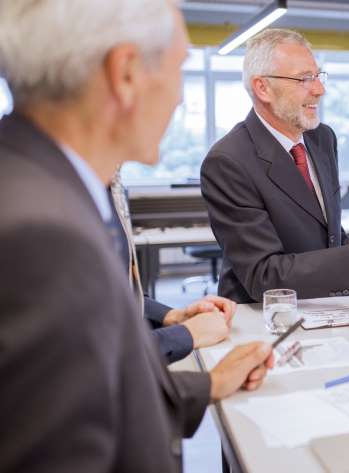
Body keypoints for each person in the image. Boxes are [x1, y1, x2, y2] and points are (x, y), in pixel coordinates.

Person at [0, 2, 274, 471]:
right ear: (125, 73)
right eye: (179, 69)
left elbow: (92, 390)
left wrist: (207, 384)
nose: (180, 98)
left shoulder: (47, 183)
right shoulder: (43, 234)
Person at [201, 29, 349, 303]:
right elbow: (264, 275)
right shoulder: (228, 161)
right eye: (304, 79)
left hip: (327, 306)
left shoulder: (322, 138)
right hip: (263, 320)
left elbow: (328, 232)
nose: (319, 90)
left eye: (318, 76)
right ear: (263, 88)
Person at [109, 174, 233, 363]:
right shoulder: (64, 208)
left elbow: (118, 298)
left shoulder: (104, 192)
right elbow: (96, 356)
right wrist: (188, 334)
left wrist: (174, 316)